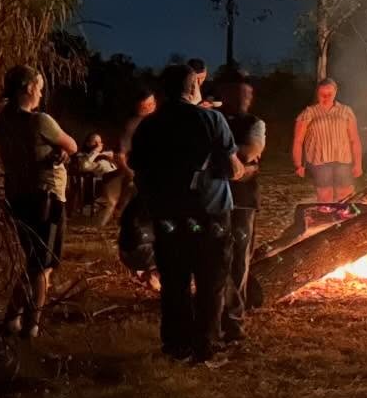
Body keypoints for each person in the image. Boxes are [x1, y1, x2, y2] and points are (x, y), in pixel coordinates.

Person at [127, 63, 242, 362]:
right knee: (211, 281)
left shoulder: (149, 126)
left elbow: (139, 171)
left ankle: (176, 346)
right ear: (193, 88)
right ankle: (205, 345)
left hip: (168, 216)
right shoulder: (212, 120)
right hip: (210, 213)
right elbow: (231, 169)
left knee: (174, 282)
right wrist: (242, 169)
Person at [0, 65, 77, 345]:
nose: (41, 92)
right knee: (41, 266)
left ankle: (11, 319)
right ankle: (32, 326)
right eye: (39, 87)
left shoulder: (2, 122)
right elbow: (73, 145)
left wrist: (57, 153)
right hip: (46, 198)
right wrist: (63, 151)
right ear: (28, 88)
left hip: (17, 197)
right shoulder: (40, 121)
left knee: (33, 261)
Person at [216, 68, 265, 346]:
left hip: (244, 200)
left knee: (239, 259)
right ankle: (219, 310)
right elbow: (241, 159)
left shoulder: (255, 123)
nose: (244, 98)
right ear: (225, 93)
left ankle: (234, 314)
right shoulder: (214, 118)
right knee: (217, 256)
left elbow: (251, 151)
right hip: (215, 200)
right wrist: (237, 163)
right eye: (237, 93)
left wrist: (223, 156)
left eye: (247, 93)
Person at [292, 78, 362, 202]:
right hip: (319, 161)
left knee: (346, 195)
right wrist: (298, 164)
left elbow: (354, 140)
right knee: (325, 196)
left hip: (343, 160)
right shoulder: (309, 113)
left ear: (335, 93)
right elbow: (298, 141)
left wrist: (358, 164)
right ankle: (326, 220)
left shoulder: (346, 112)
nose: (326, 97)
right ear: (317, 94)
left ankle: (346, 220)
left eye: (329, 94)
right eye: (322, 94)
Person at [110, 88, 156, 226]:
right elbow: (120, 154)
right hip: (136, 172)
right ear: (138, 106)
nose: (150, 108)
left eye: (151, 104)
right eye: (145, 106)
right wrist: (129, 172)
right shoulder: (131, 125)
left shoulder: (159, 121)